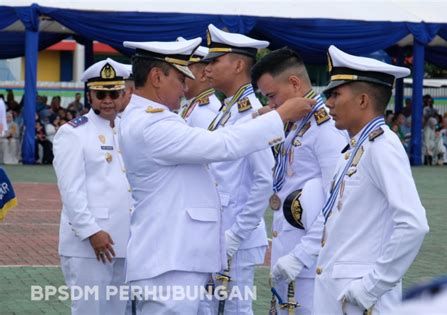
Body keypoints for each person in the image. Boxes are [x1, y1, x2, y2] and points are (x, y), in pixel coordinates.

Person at [119, 37, 313, 314]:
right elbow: (221, 145)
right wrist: (280, 115)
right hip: (170, 259)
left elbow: (223, 142)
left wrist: (258, 119)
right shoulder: (153, 124)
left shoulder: (147, 118)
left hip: (173, 255)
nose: (186, 86)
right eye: (179, 77)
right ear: (156, 77)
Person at [271, 45, 429, 315]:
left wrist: (372, 286)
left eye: (335, 94)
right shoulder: (354, 149)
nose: (328, 102)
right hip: (339, 294)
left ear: (363, 100)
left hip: (361, 299)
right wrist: (301, 257)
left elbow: (413, 224)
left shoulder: (382, 147)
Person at [251, 47, 347, 314]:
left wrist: (301, 255)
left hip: (309, 262)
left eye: (272, 96)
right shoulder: (294, 124)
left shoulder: (325, 128)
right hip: (289, 250)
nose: (270, 104)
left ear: (294, 83)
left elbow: (336, 200)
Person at [202, 24, 275, 314]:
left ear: (238, 65)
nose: (207, 68)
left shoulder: (250, 112)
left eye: (214, 61)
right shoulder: (228, 110)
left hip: (236, 236)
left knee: (233, 309)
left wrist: (237, 234)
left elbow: (263, 178)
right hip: (221, 230)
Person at [53, 58, 133, 315]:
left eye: (113, 93)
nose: (107, 100)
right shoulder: (73, 133)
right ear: (90, 95)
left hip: (125, 239)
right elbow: (71, 190)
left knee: (117, 310)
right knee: (89, 310)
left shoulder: (128, 129)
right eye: (101, 94)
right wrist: (91, 231)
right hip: (90, 244)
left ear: (123, 94)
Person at [177, 39, 221, 129]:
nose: (180, 74)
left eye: (185, 69)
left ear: (203, 75)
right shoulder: (190, 104)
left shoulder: (206, 111)